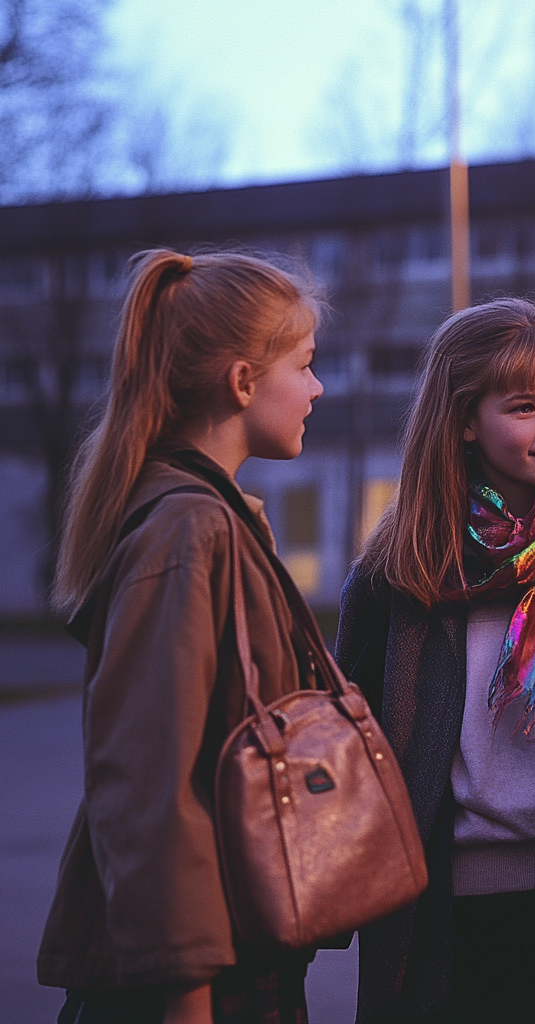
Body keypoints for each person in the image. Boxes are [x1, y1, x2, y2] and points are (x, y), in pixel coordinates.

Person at [335, 298, 535, 1024]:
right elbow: (352, 738)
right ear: (462, 420)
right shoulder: (402, 565)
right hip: (455, 910)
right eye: (523, 407)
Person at [38, 249, 328, 1024]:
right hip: (199, 984)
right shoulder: (187, 530)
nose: (317, 387)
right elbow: (149, 786)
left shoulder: (208, 516)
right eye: (303, 365)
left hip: (232, 957)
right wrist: (187, 996)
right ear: (241, 382)